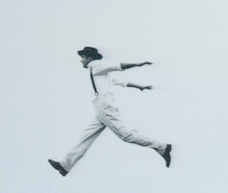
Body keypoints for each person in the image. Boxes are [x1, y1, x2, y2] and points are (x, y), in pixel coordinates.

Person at [48, 46, 172, 176]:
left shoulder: (95, 65)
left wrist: (137, 64)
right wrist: (140, 87)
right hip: (100, 108)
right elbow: (118, 81)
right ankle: (65, 165)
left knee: (125, 135)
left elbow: (117, 66)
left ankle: (162, 147)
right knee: (86, 137)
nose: (81, 61)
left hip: (104, 106)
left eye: (83, 57)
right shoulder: (97, 72)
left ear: (89, 58)